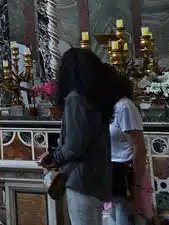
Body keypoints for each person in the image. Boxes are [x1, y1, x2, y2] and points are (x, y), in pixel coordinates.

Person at [38, 48, 121, 225]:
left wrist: (54, 158)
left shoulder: (76, 99)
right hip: (96, 178)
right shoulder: (96, 100)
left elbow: (75, 146)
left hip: (81, 180)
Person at [109, 70, 150, 225]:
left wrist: (136, 187)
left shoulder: (124, 106)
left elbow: (138, 149)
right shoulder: (109, 108)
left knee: (125, 218)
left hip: (126, 175)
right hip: (112, 174)